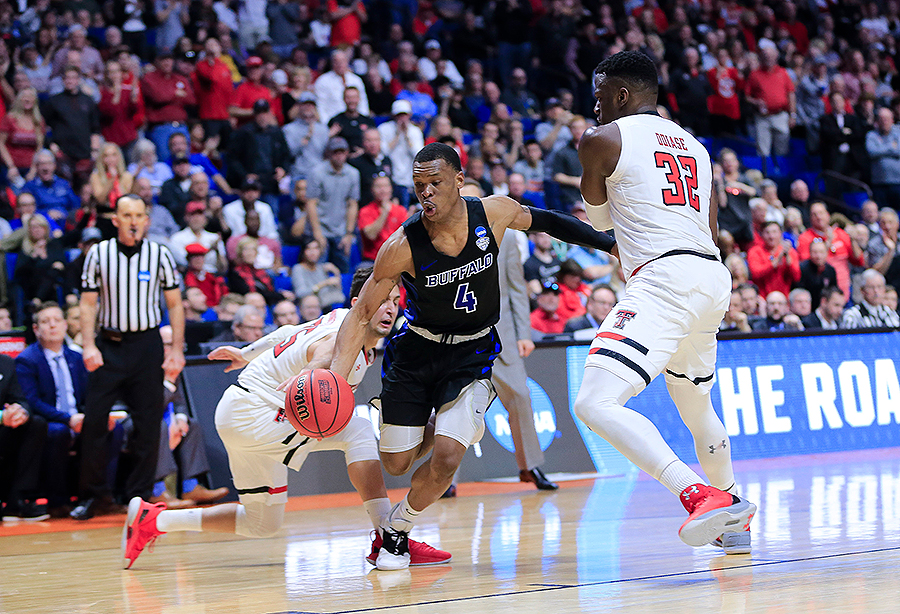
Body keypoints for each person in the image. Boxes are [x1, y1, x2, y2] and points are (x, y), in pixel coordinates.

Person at [327, 142, 615, 570]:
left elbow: (549, 221)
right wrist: (335, 380)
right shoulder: (401, 245)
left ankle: (398, 529)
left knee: (446, 458)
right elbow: (360, 314)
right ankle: (438, 423)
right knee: (396, 462)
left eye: (436, 183)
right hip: (416, 353)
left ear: (459, 180)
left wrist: (608, 243)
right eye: (419, 185)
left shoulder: (493, 213)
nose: (426, 192)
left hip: (472, 351)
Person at [121, 267, 450, 570]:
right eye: (381, 301)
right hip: (258, 413)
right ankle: (388, 538)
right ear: (358, 303)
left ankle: (153, 520)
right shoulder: (344, 338)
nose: (390, 309)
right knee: (358, 430)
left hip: (244, 414)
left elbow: (289, 331)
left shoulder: (339, 317)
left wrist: (246, 352)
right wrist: (310, 373)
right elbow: (325, 353)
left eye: (394, 300)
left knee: (261, 524)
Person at [574, 51, 757, 556]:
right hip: (711, 276)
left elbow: (600, 223)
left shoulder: (602, 139)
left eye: (600, 96)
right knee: (696, 405)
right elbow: (712, 230)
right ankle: (735, 518)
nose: (595, 106)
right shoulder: (697, 148)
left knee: (594, 401)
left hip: (663, 278)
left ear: (621, 95)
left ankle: (698, 494)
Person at [71, 195, 185, 520]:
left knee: (148, 426)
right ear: (115, 220)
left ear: (146, 220)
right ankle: (95, 496)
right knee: (95, 422)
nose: (133, 221)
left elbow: (175, 305)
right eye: (127, 215)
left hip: (146, 345)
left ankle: (140, 496)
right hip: (109, 345)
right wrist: (89, 345)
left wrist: (177, 349)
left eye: (138, 215)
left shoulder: (160, 254)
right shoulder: (99, 253)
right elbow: (88, 304)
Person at [459, 181, 556, 490]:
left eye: (475, 201)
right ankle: (446, 479)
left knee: (521, 397)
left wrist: (524, 333)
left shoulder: (507, 236)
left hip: (501, 335)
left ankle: (531, 466)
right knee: (451, 406)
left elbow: (516, 288)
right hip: (459, 338)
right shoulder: (443, 238)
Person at [0, 353, 48, 522]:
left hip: (4, 428)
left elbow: (20, 398)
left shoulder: (5, 363)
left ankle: (18, 500)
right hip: (2, 420)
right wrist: (2, 417)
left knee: (36, 424)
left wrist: (20, 412)